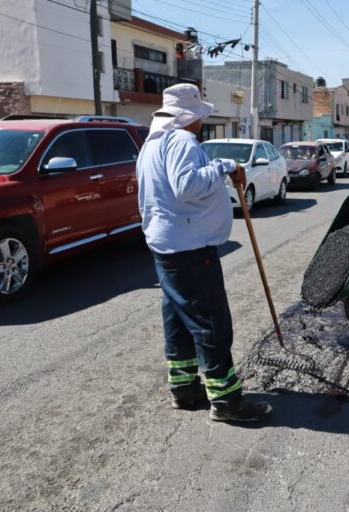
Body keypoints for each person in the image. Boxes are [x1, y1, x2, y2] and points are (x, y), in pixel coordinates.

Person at [136, 83, 271, 422]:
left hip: (166, 247)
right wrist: (225, 166)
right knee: (210, 322)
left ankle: (184, 389)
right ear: (188, 116)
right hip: (191, 249)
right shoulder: (181, 140)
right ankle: (226, 401)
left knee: (179, 319)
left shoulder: (152, 145)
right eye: (198, 116)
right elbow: (187, 186)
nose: (200, 123)